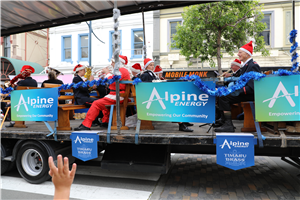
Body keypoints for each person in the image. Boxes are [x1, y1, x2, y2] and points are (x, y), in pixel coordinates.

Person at [74, 55, 131, 131]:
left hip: (117, 96)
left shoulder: (121, 70)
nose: (111, 64)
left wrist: (107, 73)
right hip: (117, 95)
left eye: (113, 62)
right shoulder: (122, 70)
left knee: (96, 104)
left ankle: (86, 124)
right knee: (101, 103)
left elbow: (112, 81)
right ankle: (106, 122)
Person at [214, 41, 261, 132]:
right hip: (245, 92)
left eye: (240, 52)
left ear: (247, 54)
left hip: (249, 94)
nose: (238, 54)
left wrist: (235, 91)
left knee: (224, 97)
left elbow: (251, 87)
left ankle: (228, 125)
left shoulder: (253, 66)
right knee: (222, 94)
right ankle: (224, 121)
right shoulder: (247, 66)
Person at [141, 58, 193, 132]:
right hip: (151, 99)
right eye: (150, 65)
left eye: (153, 65)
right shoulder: (145, 75)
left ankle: (182, 122)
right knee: (171, 104)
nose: (152, 67)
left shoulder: (150, 74)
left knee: (174, 102)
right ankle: (181, 124)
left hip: (156, 97)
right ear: (146, 66)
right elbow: (147, 87)